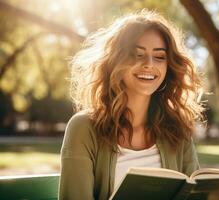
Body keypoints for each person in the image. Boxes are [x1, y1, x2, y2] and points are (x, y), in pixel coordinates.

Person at [59, 10, 204, 200]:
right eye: (137, 54)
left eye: (160, 57)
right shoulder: (84, 128)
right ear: (115, 60)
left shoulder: (177, 130)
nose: (149, 64)